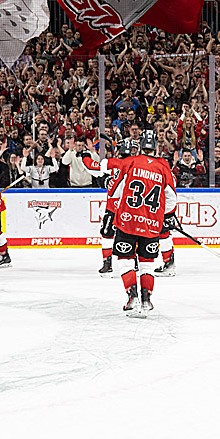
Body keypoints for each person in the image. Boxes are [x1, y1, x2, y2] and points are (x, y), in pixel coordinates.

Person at [102, 130, 177, 316]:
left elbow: (115, 192)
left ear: (140, 146)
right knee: (147, 262)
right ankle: (146, 300)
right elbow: (171, 197)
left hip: (127, 221)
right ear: (156, 148)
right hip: (151, 224)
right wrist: (165, 215)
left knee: (126, 261)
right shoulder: (163, 167)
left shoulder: (130, 162)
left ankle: (132, 296)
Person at [84, 139, 134, 275]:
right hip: (131, 209)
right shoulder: (137, 165)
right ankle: (133, 262)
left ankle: (107, 263)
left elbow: (91, 167)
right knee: (131, 235)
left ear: (118, 151)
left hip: (113, 207)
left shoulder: (112, 162)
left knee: (107, 234)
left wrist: (85, 155)